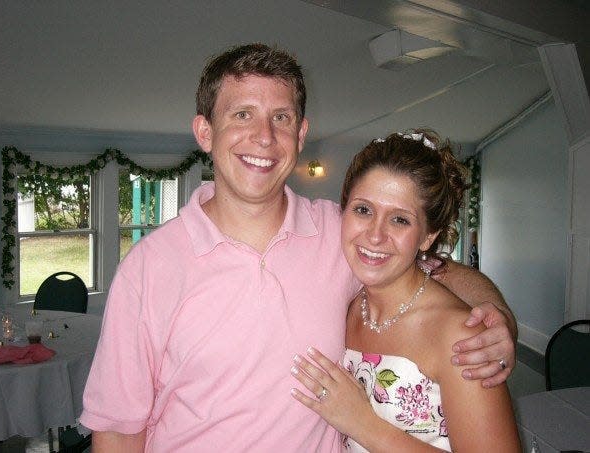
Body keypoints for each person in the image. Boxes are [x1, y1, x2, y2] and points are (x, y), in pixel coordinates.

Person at [80, 43, 516, 452]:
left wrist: (497, 322)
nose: (264, 137)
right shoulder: (148, 268)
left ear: (302, 133)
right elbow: (117, 429)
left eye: (281, 118)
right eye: (242, 115)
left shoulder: (341, 234)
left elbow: (428, 270)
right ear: (205, 131)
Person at [290, 131, 521, 452]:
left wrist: (364, 425)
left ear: (427, 237)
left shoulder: (460, 336)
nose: (375, 235)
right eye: (363, 210)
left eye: (399, 219)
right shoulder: (348, 305)